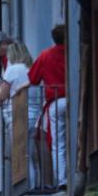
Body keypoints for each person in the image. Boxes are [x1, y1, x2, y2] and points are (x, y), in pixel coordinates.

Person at [28, 25, 69, 186]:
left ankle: (62, 180)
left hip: (56, 100)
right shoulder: (73, 51)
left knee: (58, 143)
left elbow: (33, 79)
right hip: (74, 99)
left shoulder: (46, 55)